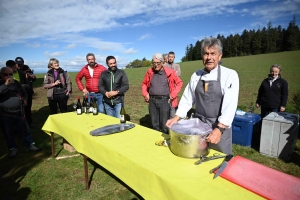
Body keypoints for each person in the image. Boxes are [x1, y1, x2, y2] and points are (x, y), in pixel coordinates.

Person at [166, 37, 239, 154]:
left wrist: (219, 129)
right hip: (199, 127)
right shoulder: (196, 75)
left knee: (218, 160)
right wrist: (176, 117)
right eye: (206, 54)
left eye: (213, 53)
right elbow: (187, 98)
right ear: (202, 56)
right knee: (196, 157)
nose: (209, 57)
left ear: (220, 56)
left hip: (219, 127)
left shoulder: (230, 75)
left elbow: (230, 106)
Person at [0, 67, 40, 158]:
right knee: (8, 132)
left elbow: (24, 92)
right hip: (5, 113)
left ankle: (30, 145)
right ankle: (13, 149)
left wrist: (25, 99)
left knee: (25, 130)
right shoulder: (1, 84)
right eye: (6, 74)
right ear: (1, 75)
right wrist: (5, 85)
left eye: (10, 74)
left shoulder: (16, 83)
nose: (9, 76)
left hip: (19, 111)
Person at [142, 53, 183, 134]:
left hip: (164, 100)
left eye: (158, 63)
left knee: (164, 125)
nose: (156, 65)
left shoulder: (169, 72)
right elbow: (144, 84)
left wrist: (173, 95)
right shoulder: (149, 72)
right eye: (154, 63)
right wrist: (145, 93)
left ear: (162, 62)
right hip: (152, 100)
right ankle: (156, 139)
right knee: (154, 123)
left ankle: (165, 140)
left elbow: (179, 83)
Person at [15, 57, 36, 127]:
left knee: (28, 108)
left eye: (21, 64)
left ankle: (29, 122)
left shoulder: (27, 68)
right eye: (18, 64)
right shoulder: (13, 71)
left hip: (28, 91)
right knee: (19, 109)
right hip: (18, 93)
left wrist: (33, 77)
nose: (19, 65)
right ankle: (20, 124)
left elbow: (33, 79)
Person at [163, 51, 182, 118]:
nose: (171, 58)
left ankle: (172, 121)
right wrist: (174, 72)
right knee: (165, 105)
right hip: (165, 88)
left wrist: (170, 74)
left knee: (173, 106)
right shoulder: (164, 66)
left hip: (173, 89)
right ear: (167, 57)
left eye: (172, 57)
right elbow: (163, 76)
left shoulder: (177, 66)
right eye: (169, 57)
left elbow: (178, 74)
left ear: (174, 58)